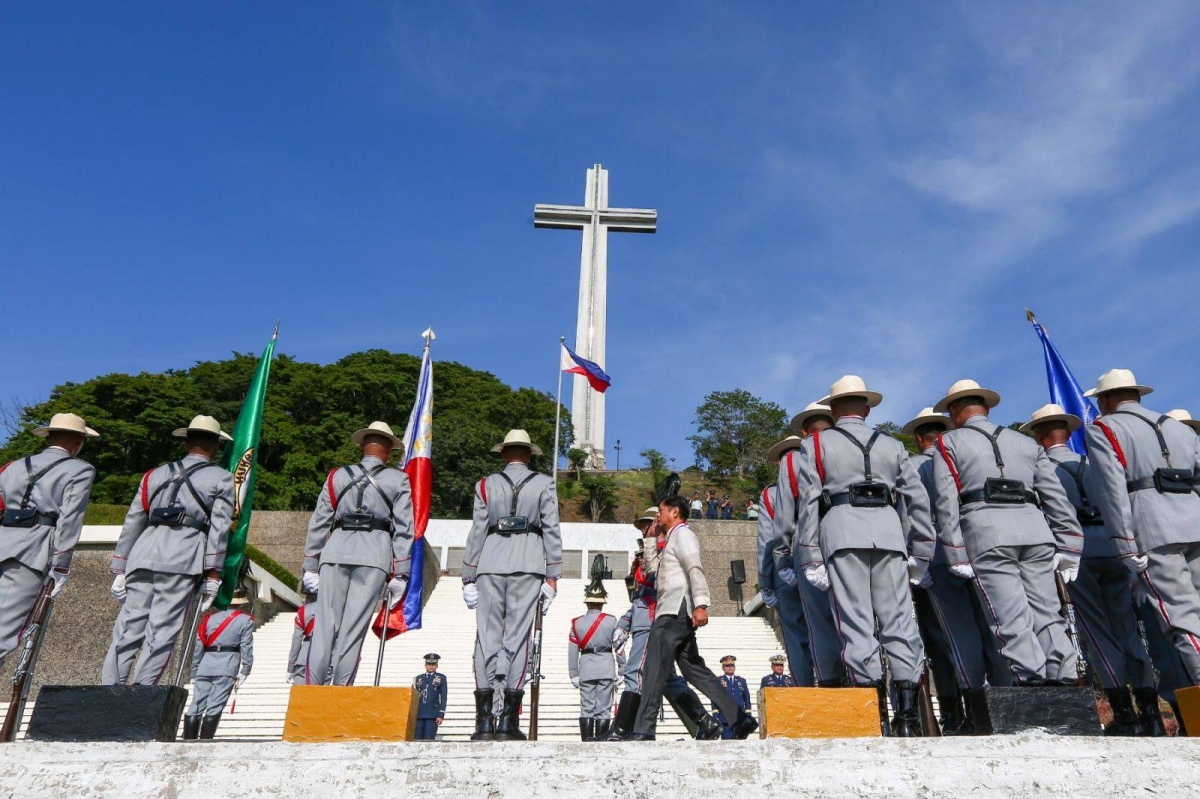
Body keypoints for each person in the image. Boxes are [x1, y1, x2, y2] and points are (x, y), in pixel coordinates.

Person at [792, 377, 934, 737]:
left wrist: (810, 554)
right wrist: (921, 548)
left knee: (856, 622)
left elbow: (809, 500)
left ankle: (873, 717)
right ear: (867, 409)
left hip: (842, 530)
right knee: (900, 623)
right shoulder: (892, 445)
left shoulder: (817, 444)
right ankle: (907, 720)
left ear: (833, 409)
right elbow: (916, 499)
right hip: (889, 532)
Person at [931, 380, 1084, 687]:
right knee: (1047, 611)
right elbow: (1054, 497)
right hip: (1035, 531)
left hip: (988, 532)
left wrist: (955, 550)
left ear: (953, 411)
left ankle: (1031, 682)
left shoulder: (949, 443)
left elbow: (946, 501)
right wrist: (1070, 543)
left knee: (1009, 615)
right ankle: (1064, 677)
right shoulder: (1027, 443)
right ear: (986, 408)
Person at [1024, 403, 1161, 735]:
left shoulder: (1042, 467)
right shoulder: (1091, 463)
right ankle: (1151, 713)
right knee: (1127, 628)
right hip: (1113, 548)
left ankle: (1124, 715)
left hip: (1077, 555)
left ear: (1040, 435)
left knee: (1097, 632)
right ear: (1067, 432)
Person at [1084, 370, 1200, 704]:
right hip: (1193, 520)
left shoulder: (1105, 428)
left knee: (1180, 616)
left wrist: (1124, 544)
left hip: (1153, 527)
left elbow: (1112, 490)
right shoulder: (1178, 427)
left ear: (1105, 400)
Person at [900, 407, 1010, 735]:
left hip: (936, 555)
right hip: (979, 548)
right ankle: (1002, 705)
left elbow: (910, 514)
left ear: (919, 437)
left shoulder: (914, 465)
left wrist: (915, 558)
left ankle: (964, 713)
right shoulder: (965, 455)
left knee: (949, 638)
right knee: (993, 629)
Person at [104, 415, 235, 686]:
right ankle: (143, 694)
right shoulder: (222, 478)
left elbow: (133, 520)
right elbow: (220, 528)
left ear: (186, 444)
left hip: (143, 554)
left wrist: (120, 567)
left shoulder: (153, 474)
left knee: (127, 630)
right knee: (161, 633)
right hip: (183, 556)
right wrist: (213, 574)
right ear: (216, 447)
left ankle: (108, 691)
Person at [462, 429, 563, 742]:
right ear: (529, 455)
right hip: (529, 563)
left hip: (490, 563)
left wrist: (468, 575)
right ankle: (507, 722)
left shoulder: (485, 485)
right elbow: (551, 529)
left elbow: (477, 530)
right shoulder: (544, 483)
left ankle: (482, 723)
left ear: (504, 454)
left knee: (486, 641)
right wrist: (552, 575)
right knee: (517, 641)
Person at [630, 495, 757, 741]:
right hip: (675, 610)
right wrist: (651, 536)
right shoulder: (670, 538)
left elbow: (694, 568)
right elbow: (651, 569)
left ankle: (643, 729)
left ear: (675, 512)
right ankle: (740, 719)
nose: (659, 515)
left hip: (674, 611)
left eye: (662, 511)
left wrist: (701, 604)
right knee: (693, 670)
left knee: (654, 669)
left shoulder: (683, 535)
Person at [301, 421, 414, 686]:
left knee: (325, 626)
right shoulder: (399, 480)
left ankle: (311, 691)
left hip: (335, 549)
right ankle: (341, 690)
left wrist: (310, 564)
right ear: (387, 452)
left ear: (363, 447)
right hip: (374, 554)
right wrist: (402, 572)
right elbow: (403, 529)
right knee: (353, 629)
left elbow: (319, 521)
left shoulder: (336, 476)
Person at [0, 413, 97, 668]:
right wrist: (62, 563)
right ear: (78, 440)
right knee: (4, 635)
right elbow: (69, 519)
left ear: (48, 436)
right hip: (32, 551)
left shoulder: (14, 466)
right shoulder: (81, 469)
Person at [608, 507, 712, 741]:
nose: (646, 528)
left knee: (639, 671)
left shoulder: (664, 550)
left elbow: (655, 582)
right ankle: (705, 721)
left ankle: (623, 728)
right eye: (645, 525)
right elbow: (639, 595)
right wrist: (626, 621)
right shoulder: (648, 551)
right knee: (665, 679)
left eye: (650, 523)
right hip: (644, 616)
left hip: (655, 618)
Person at [773, 402, 848, 689]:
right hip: (853, 538)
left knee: (820, 624)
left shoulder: (793, 461)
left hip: (809, 547)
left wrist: (782, 558)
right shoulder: (852, 449)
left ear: (805, 430)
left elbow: (784, 517)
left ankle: (832, 685)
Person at [758, 435, 815, 686]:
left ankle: (805, 689)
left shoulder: (771, 495)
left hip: (786, 571)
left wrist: (765, 583)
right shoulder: (821, 482)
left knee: (795, 637)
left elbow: (766, 541)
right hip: (822, 564)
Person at [182, 580, 254, 740]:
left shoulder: (209, 619)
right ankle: (206, 741)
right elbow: (246, 647)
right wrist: (245, 669)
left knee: (196, 705)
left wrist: (194, 671)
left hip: (205, 664)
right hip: (227, 665)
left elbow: (199, 646)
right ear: (241, 603)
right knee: (215, 706)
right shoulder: (245, 620)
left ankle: (188, 741)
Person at [569, 580, 623, 740]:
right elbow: (619, 647)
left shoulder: (576, 623)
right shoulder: (612, 621)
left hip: (586, 668)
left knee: (586, 708)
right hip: (606, 667)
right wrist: (622, 669)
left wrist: (573, 673)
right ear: (602, 604)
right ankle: (600, 741)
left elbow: (572, 649)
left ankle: (586, 741)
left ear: (587, 603)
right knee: (603, 709)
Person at [714, 655, 752, 739]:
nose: (730, 668)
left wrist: (748, 713)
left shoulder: (741, 681)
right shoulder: (718, 681)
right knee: (727, 744)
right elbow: (714, 698)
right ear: (723, 667)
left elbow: (747, 698)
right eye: (727, 666)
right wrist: (715, 715)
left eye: (732, 665)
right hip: (725, 718)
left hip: (740, 717)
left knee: (740, 744)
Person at [413, 653, 447, 741]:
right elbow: (413, 697)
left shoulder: (441, 678)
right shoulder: (418, 678)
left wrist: (441, 714)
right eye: (429, 664)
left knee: (429, 741)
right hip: (419, 714)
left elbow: (443, 697)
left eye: (433, 664)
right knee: (416, 740)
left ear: (437, 665)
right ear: (425, 665)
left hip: (432, 714)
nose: (431, 666)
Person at [286, 592, 317, 684]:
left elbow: (297, 639)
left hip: (306, 654)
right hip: (328, 657)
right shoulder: (336, 610)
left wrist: (291, 667)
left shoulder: (304, 610)